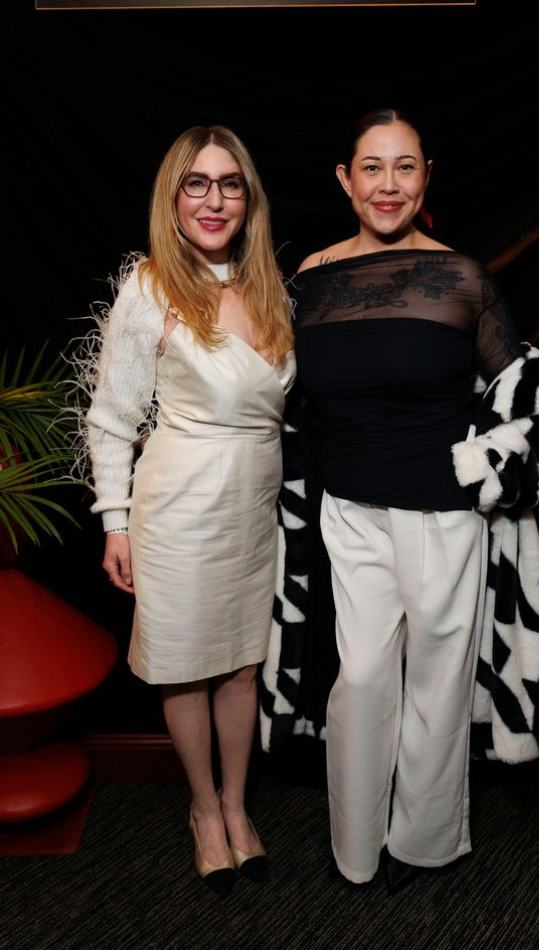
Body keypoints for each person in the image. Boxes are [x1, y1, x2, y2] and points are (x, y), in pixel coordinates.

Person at [291, 108, 539, 893]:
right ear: (345, 179)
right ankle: (356, 846)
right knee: (363, 679)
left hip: (443, 512)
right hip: (348, 510)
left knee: (439, 681)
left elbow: (524, 399)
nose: (388, 184)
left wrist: (496, 461)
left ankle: (423, 843)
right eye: (372, 167)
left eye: (404, 167)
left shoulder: (462, 276)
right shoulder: (311, 277)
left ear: (426, 177)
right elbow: (280, 389)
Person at [86, 126, 295, 895]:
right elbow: (112, 418)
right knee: (184, 670)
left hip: (253, 508)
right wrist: (114, 521)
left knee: (241, 665)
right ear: (173, 198)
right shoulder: (151, 288)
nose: (214, 199)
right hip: (176, 508)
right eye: (196, 183)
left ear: (248, 198)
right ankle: (204, 811)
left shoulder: (268, 286)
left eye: (229, 183)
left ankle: (238, 806)